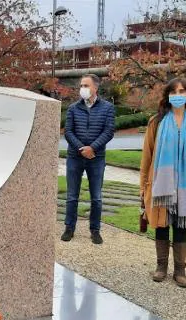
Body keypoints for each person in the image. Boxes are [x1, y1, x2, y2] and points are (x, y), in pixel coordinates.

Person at [139, 78, 186, 288]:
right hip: (162, 184)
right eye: (174, 91)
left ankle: (180, 270)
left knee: (181, 225)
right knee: (162, 224)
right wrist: (143, 186)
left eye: (182, 91)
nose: (178, 94)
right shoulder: (157, 122)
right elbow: (147, 156)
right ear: (168, 95)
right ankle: (161, 267)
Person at [62, 73, 115, 244]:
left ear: (95, 88)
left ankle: (95, 230)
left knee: (96, 197)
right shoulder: (73, 108)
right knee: (72, 195)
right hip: (75, 157)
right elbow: (68, 131)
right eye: (81, 86)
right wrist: (81, 149)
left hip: (96, 157)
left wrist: (92, 148)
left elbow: (109, 131)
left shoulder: (107, 108)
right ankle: (69, 228)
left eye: (86, 85)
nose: (82, 89)